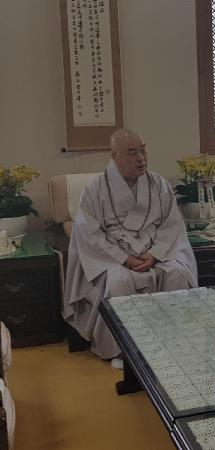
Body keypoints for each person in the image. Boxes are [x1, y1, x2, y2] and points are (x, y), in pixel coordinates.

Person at [64, 129, 198, 366]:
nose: (141, 158)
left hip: (155, 252)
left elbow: (172, 225)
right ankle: (122, 351)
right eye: (132, 152)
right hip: (113, 256)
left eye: (143, 151)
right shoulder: (95, 189)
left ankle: (172, 342)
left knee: (177, 273)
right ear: (114, 156)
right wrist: (124, 258)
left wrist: (154, 255)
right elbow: (89, 234)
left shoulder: (159, 184)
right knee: (119, 281)